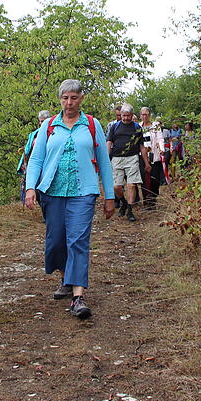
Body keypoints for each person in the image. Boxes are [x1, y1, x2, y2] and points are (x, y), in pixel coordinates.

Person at [23, 79, 115, 320]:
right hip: (52, 192)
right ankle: (66, 276)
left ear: (81, 98)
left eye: (74, 97)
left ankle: (78, 296)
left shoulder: (92, 125)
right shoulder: (50, 126)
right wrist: (31, 188)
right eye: (65, 98)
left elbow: (104, 162)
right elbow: (36, 159)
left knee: (78, 241)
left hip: (83, 192)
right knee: (55, 242)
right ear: (60, 99)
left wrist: (110, 196)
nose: (69, 102)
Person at [106, 103, 149, 222]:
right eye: (123, 116)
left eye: (128, 116)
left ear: (132, 115)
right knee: (116, 186)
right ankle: (123, 203)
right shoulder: (114, 127)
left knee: (132, 184)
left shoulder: (137, 128)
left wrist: (146, 163)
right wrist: (106, 158)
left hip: (132, 158)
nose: (125, 118)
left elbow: (142, 146)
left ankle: (130, 211)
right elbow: (109, 142)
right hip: (117, 158)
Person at [18, 110, 51, 202]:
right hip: (36, 166)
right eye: (41, 121)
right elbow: (28, 150)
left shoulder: (55, 133)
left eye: (45, 121)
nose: (42, 123)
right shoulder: (34, 134)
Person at [139, 107, 165, 209]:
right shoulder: (138, 127)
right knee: (145, 180)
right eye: (143, 114)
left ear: (149, 115)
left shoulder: (155, 126)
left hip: (154, 155)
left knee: (154, 179)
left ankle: (153, 198)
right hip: (142, 156)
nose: (144, 116)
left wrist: (161, 148)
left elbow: (160, 138)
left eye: (146, 114)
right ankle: (146, 201)